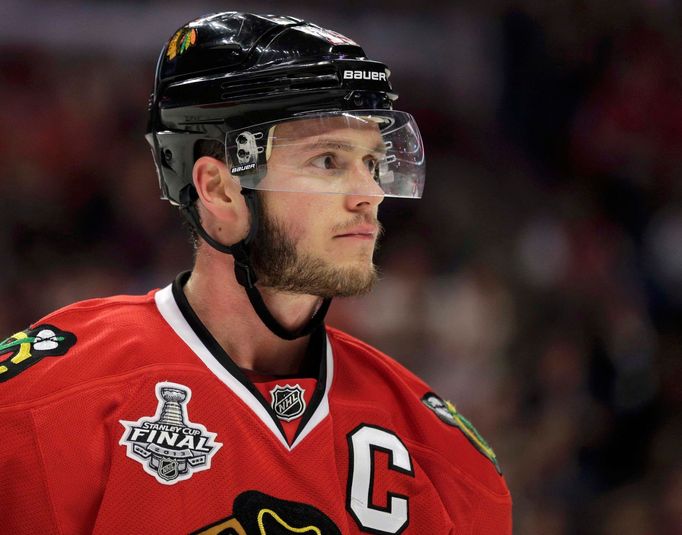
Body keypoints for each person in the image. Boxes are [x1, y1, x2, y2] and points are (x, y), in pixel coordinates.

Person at [1, 12, 511, 534]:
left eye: (373, 163)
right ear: (219, 190)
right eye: (328, 161)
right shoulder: (40, 407)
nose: (369, 194)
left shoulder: (443, 457)